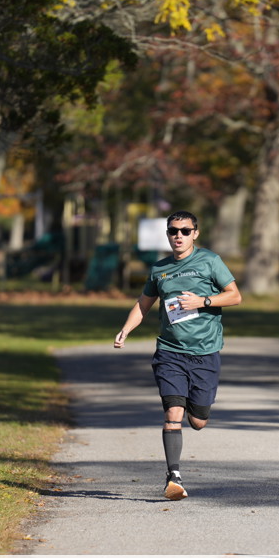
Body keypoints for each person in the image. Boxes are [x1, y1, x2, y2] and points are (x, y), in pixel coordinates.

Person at [114, 211, 242, 500]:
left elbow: (235, 295)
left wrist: (203, 301)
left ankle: (196, 409)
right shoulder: (159, 269)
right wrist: (125, 330)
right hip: (170, 353)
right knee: (173, 413)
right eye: (173, 231)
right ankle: (174, 477)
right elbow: (143, 304)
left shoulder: (210, 261)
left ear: (195, 233)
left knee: (198, 421)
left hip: (205, 352)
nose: (179, 236)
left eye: (185, 231)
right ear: (168, 234)